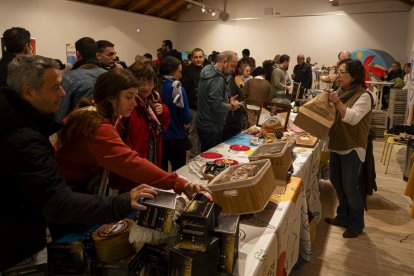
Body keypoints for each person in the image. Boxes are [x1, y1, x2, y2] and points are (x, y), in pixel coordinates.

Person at [0, 55, 159, 271]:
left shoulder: (22, 120)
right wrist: (123, 202)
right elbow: (59, 202)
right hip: (22, 235)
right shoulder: (24, 137)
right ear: (28, 92)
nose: (63, 93)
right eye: (55, 87)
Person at [56, 68, 205, 197]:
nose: (134, 103)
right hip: (71, 188)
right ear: (110, 96)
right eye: (129, 97)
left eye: (135, 97)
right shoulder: (97, 124)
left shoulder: (95, 110)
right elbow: (129, 161)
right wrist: (177, 182)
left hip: (75, 183)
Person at [325, 59, 373, 238]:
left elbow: (352, 118)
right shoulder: (340, 92)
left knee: (350, 187)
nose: (338, 75)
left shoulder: (364, 96)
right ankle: (343, 216)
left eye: (342, 72)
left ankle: (356, 223)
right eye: (338, 71)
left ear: (354, 76)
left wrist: (336, 102)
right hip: (337, 144)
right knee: (336, 182)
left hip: (352, 147)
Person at [196, 51, 243, 152]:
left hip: (204, 123)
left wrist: (228, 99)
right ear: (224, 62)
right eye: (232, 66)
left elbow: (212, 97)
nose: (233, 70)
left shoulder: (208, 71)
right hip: (211, 126)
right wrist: (232, 106)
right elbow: (216, 105)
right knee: (211, 157)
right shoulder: (216, 78)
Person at [55, 37, 106, 122]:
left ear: (78, 54)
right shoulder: (109, 75)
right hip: (106, 127)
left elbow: (60, 112)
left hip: (79, 129)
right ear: (97, 54)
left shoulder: (70, 77)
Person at [160, 56, 192, 171]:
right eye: (179, 72)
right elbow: (186, 116)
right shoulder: (176, 87)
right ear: (172, 72)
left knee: (161, 173)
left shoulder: (156, 86)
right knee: (179, 173)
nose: (181, 75)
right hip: (176, 136)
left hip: (160, 139)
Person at [181, 48, 208, 158]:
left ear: (203, 57)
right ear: (192, 58)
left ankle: (201, 155)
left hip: (205, 108)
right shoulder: (186, 70)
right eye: (195, 57)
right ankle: (193, 157)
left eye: (200, 57)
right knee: (193, 133)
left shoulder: (207, 69)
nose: (198, 59)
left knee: (203, 132)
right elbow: (185, 90)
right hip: (192, 107)